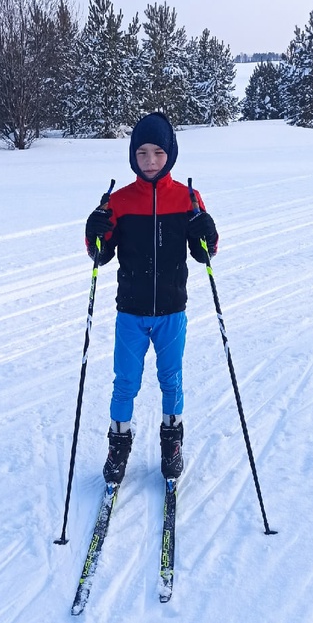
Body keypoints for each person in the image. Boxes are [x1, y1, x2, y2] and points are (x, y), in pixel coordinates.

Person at [84, 111, 218, 485]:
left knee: (171, 379)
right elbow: (100, 253)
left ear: (170, 153)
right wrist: (93, 231)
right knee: (125, 381)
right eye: (142, 153)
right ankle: (118, 445)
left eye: (158, 152)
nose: (150, 161)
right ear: (132, 155)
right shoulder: (120, 201)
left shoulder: (187, 197)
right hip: (130, 311)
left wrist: (207, 231)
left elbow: (205, 252)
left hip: (172, 311)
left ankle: (171, 442)